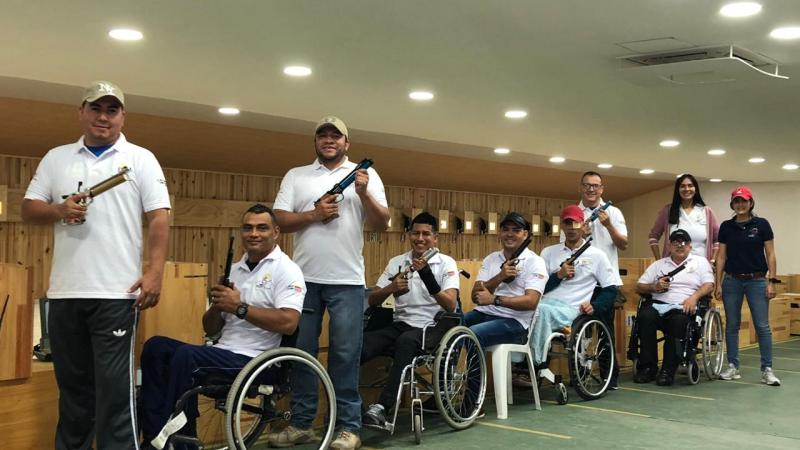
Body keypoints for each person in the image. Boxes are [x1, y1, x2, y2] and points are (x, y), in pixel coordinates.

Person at [21, 81, 171, 450]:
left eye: (111, 110)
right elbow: (29, 209)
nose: (103, 117)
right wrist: (58, 209)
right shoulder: (57, 157)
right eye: (96, 109)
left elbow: (160, 217)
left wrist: (154, 273)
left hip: (117, 295)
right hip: (65, 293)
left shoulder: (140, 158)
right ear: (81, 112)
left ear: (122, 117)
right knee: (73, 395)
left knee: (115, 395)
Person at [139, 204, 304, 449]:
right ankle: (154, 436)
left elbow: (289, 323)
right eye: (247, 228)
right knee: (156, 346)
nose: (254, 233)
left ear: (276, 233)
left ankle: (184, 440)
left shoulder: (287, 270)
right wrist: (219, 305)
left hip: (258, 360)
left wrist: (240, 307)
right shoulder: (234, 270)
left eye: (262, 228)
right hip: (224, 350)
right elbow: (210, 328)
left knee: (187, 356)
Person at [271, 116, 389, 449]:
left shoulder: (366, 176)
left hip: (349, 281)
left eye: (335, 135)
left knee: (345, 355)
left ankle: (348, 427)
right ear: (316, 142)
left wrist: (364, 194)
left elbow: (382, 223)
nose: (328, 139)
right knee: (301, 354)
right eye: (322, 135)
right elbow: (279, 219)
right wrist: (314, 214)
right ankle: (303, 423)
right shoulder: (297, 175)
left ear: (346, 143)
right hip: (302, 281)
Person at [360, 212, 460, 427]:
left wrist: (427, 276)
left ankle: (382, 408)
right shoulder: (397, 262)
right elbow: (374, 300)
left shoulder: (446, 263)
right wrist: (391, 287)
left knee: (406, 341)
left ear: (435, 237)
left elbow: (450, 304)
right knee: (360, 345)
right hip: (400, 323)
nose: (420, 238)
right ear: (409, 235)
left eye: (426, 234)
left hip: (432, 326)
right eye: (416, 233)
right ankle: (352, 406)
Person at [532, 205, 618, 366]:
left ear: (583, 225)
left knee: (540, 311)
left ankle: (534, 364)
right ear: (562, 226)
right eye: (567, 223)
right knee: (526, 308)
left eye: (576, 223)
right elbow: (537, 286)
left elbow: (610, 289)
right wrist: (558, 276)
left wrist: (595, 306)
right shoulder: (548, 252)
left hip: (571, 309)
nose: (572, 228)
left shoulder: (597, 255)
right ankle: (519, 362)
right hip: (545, 303)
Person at [565, 171, 627, 388]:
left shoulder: (614, 212)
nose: (591, 189)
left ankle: (609, 377)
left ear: (602, 189)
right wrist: (581, 234)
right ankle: (578, 375)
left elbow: (623, 244)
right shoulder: (574, 213)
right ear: (580, 188)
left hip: (605, 283)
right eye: (587, 185)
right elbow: (566, 248)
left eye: (595, 186)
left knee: (604, 328)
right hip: (580, 282)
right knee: (577, 328)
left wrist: (609, 225)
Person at [715, 186, 780, 386]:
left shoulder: (761, 224)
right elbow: (721, 256)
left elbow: (770, 254)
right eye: (737, 201)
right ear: (732, 204)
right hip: (732, 281)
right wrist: (718, 282)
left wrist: (772, 281)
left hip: (757, 280)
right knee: (732, 325)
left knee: (762, 326)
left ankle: (767, 369)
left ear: (751, 203)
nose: (740, 204)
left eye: (744, 201)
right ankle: (733, 366)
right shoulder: (726, 226)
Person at [634, 229, 714, 386]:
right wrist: (654, 286)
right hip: (658, 304)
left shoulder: (700, 262)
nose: (679, 246)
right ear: (669, 246)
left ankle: (667, 371)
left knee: (678, 322)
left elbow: (709, 285)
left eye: (683, 242)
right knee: (645, 317)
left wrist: (694, 298)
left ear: (690, 247)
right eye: (675, 243)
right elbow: (639, 286)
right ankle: (648, 368)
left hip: (683, 306)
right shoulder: (658, 265)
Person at [466, 212, 547, 348]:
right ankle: (450, 368)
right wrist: (500, 277)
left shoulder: (535, 261)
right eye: (506, 229)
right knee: (452, 325)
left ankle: (472, 370)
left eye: (516, 230)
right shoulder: (491, 258)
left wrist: (494, 299)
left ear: (525, 234)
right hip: (484, 313)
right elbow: (475, 296)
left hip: (515, 321)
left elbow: (531, 302)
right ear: (499, 233)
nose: (510, 234)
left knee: (473, 334)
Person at [648, 173, 720, 262]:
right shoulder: (668, 211)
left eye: (690, 186)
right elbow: (653, 237)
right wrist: (659, 261)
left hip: (701, 266)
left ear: (695, 189)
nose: (687, 189)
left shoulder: (706, 211)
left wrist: (713, 260)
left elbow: (718, 239)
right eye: (682, 186)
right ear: (678, 190)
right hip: (673, 267)